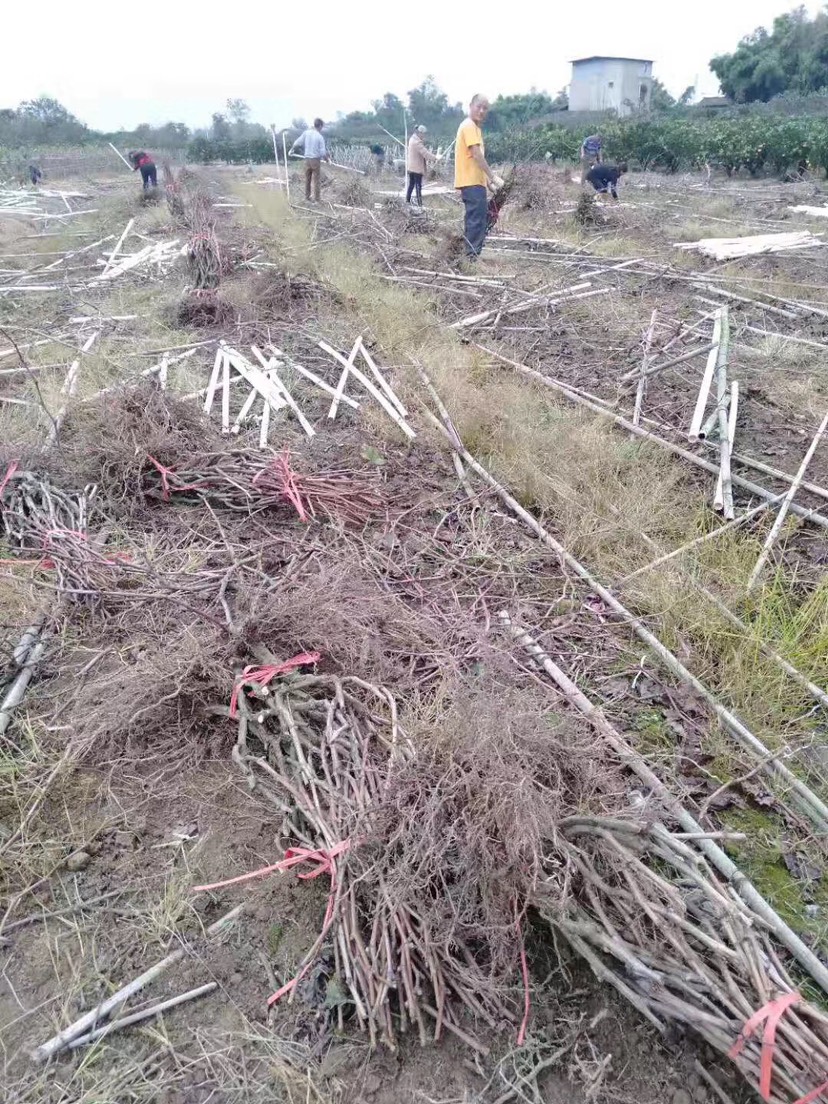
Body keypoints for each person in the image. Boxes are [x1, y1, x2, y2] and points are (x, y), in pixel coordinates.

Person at [454, 95, 503, 259]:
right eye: (478, 107)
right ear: (470, 106)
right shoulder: (468, 126)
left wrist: (488, 182)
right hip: (470, 182)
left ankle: (470, 255)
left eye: (485, 108)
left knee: (476, 219)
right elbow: (476, 154)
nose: (481, 111)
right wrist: (493, 176)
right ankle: (471, 258)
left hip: (475, 181)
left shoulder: (475, 129)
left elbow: (475, 160)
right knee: (476, 220)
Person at [290, 118, 330, 202]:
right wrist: (327, 160)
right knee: (316, 180)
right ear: (320, 126)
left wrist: (292, 149)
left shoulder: (306, 133)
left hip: (307, 160)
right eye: (322, 126)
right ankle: (317, 200)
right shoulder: (320, 137)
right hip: (315, 160)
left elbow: (297, 142)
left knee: (307, 180)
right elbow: (322, 152)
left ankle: (307, 198)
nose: (322, 128)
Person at [406, 125, 436, 206]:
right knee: (418, 186)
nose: (424, 136)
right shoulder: (417, 142)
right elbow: (425, 153)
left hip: (411, 167)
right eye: (423, 134)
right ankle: (420, 204)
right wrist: (435, 158)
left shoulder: (412, 139)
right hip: (416, 168)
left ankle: (407, 201)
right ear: (420, 133)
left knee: (411, 185)